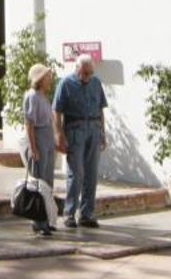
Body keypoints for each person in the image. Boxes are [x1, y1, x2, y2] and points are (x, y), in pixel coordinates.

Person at [53, 54, 107, 229]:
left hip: (93, 128)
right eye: (84, 73)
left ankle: (87, 213)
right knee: (75, 174)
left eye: (90, 73)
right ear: (77, 69)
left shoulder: (96, 83)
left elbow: (100, 109)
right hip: (75, 130)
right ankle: (69, 214)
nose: (87, 77)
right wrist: (59, 135)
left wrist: (102, 132)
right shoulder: (66, 84)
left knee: (91, 174)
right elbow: (57, 111)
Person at [21, 64, 59, 237]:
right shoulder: (32, 96)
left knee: (48, 182)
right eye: (47, 76)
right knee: (39, 183)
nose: (50, 79)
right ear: (39, 78)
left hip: (47, 138)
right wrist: (33, 148)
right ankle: (39, 221)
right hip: (39, 139)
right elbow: (29, 124)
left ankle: (46, 219)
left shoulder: (43, 96)